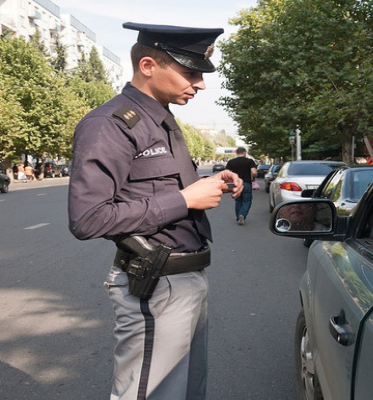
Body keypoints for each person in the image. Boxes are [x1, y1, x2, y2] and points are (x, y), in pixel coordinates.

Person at [68, 22, 243, 400]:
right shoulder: (109, 124)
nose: (200, 83)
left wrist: (214, 179)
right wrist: (185, 199)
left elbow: (160, 187)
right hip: (156, 285)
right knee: (151, 394)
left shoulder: (160, 119)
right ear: (148, 65)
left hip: (185, 278)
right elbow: (87, 218)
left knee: (185, 392)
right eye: (191, 71)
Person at [224, 147, 257, 225]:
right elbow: (254, 172)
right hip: (246, 183)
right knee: (247, 200)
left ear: (236, 152)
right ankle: (242, 215)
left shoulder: (231, 162)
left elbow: (226, 173)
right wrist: (254, 178)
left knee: (238, 201)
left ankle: (239, 217)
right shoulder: (249, 161)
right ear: (245, 152)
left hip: (236, 183)